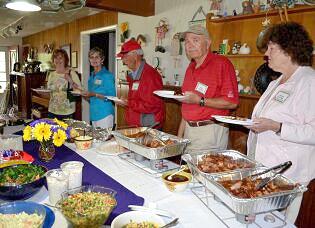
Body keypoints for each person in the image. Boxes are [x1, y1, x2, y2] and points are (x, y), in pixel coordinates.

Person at [246, 22, 315, 223]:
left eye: (271, 48)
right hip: (264, 170)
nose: (266, 53)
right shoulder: (278, 81)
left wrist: (277, 127)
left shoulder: (309, 82)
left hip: (288, 175)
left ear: (289, 50)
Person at [177, 25, 239, 151]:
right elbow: (187, 104)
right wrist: (179, 136)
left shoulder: (222, 63)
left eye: (195, 40)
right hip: (189, 130)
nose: (189, 45)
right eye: (187, 42)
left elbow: (232, 103)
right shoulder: (191, 67)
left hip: (209, 132)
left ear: (208, 43)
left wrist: (200, 100)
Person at [116, 39, 165, 129]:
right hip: (137, 126)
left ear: (135, 55)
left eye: (125, 56)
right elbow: (138, 99)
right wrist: (128, 102)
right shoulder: (133, 76)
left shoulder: (150, 75)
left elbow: (152, 105)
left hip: (148, 127)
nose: (123, 60)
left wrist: (128, 103)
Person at [82, 47, 116, 128]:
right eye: (91, 57)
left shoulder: (107, 75)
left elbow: (112, 97)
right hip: (94, 114)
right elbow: (91, 98)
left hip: (105, 114)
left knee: (105, 140)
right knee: (96, 140)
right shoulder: (92, 76)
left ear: (102, 59)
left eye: (97, 57)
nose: (94, 59)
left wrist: (94, 94)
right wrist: (84, 95)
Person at [47, 49, 81, 120]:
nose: (58, 60)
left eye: (60, 58)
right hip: (52, 111)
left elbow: (79, 92)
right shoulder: (51, 75)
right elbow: (49, 92)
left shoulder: (71, 73)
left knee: (65, 131)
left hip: (67, 112)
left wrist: (70, 81)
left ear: (65, 60)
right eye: (55, 58)